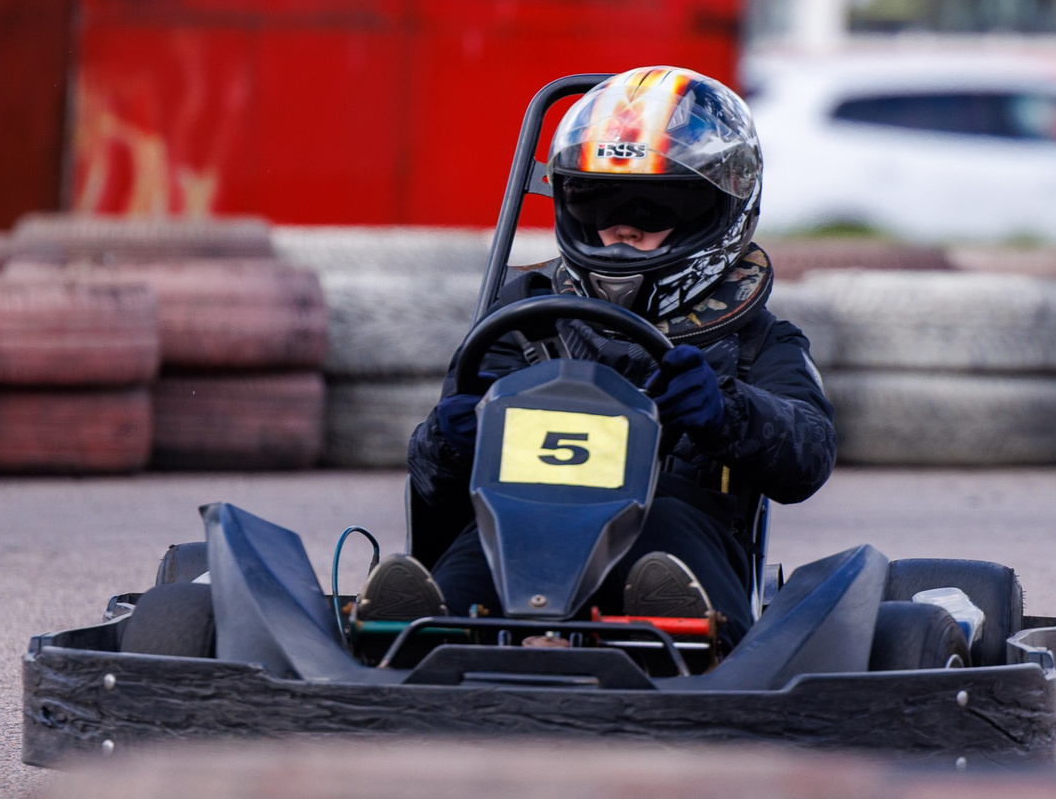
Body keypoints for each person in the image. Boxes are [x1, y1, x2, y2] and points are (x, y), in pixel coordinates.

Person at [354, 66, 836, 639]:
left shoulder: (757, 341)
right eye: (601, 205)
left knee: (663, 523)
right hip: (518, 535)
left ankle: (677, 628)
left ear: (719, 211)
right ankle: (424, 627)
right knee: (480, 539)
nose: (622, 231)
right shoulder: (523, 317)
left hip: (675, 538)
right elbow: (433, 482)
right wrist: (450, 439)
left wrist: (725, 411)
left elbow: (809, 456)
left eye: (652, 210)